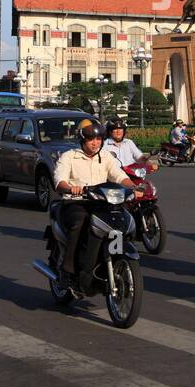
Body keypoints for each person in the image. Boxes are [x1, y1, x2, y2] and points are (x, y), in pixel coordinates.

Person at [52, 122, 134, 289]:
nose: (95, 143)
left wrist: (132, 186)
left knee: (122, 219)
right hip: (76, 202)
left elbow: (118, 175)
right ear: (83, 140)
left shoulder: (105, 156)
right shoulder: (69, 156)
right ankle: (67, 271)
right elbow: (59, 180)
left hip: (102, 203)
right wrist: (70, 188)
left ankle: (114, 257)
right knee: (80, 223)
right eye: (91, 139)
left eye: (98, 139)